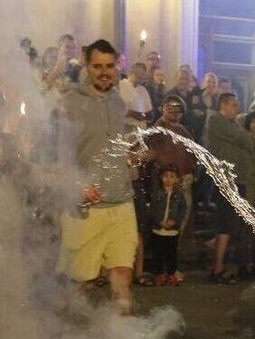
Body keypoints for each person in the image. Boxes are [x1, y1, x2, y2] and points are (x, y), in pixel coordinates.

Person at [55, 39, 137, 314]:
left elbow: (116, 145)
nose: (104, 72)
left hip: (122, 202)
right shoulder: (70, 102)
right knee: (79, 286)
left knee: (122, 281)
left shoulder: (118, 101)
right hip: (86, 209)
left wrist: (132, 158)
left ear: (117, 66)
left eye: (109, 66)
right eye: (97, 66)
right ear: (87, 66)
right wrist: (75, 185)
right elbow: (58, 153)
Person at [204, 92, 255, 283]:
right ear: (224, 105)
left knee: (231, 224)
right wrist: (247, 138)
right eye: (234, 105)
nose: (238, 109)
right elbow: (244, 140)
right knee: (226, 224)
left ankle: (216, 256)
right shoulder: (217, 120)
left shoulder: (233, 124)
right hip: (228, 179)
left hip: (239, 179)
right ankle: (217, 268)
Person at [148, 165, 188, 286]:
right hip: (158, 229)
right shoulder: (157, 193)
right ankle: (159, 274)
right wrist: (159, 221)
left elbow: (183, 209)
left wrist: (175, 221)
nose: (168, 179)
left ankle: (171, 274)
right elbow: (153, 209)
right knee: (158, 253)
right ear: (161, 177)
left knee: (171, 253)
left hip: (172, 230)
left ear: (176, 179)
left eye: (172, 176)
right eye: (165, 176)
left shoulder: (179, 195)